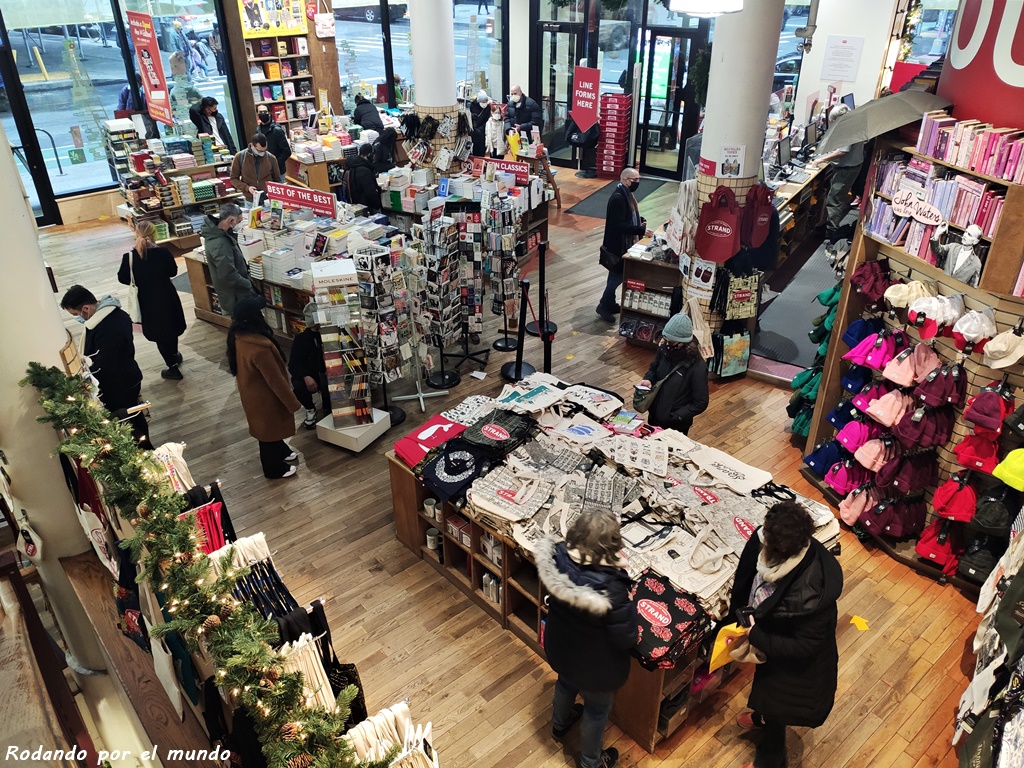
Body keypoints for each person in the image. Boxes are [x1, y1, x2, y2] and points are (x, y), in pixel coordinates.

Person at [728, 500, 843, 768]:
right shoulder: (790, 548)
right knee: (769, 702)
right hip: (779, 651)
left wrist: (756, 635)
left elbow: (804, 647)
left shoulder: (811, 598)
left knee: (777, 712)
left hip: (799, 673)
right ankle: (763, 718)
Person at [536, 511, 637, 768]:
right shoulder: (612, 588)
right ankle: (591, 762)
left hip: (561, 648)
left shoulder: (557, 557)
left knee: (565, 684)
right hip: (595, 667)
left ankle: (559, 725)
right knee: (597, 711)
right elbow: (626, 637)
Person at [60, 285, 149, 446]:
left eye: (75, 314)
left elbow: (106, 363)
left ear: (86, 308)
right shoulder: (115, 315)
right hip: (127, 376)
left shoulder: (107, 328)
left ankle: (143, 449)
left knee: (128, 419)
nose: (77, 318)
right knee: (133, 413)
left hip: (120, 383)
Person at [227, 295, 303, 480]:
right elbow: (276, 380)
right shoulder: (260, 348)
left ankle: (281, 450)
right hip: (266, 399)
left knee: (269, 430)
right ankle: (274, 469)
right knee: (267, 434)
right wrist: (293, 403)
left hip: (253, 394)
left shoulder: (239, 337)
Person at [117, 220, 186, 380]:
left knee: (160, 334)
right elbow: (173, 271)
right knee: (171, 328)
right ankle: (174, 355)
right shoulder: (163, 253)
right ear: (154, 234)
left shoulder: (130, 257)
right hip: (167, 297)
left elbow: (123, 278)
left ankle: (172, 366)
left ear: (136, 233)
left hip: (147, 301)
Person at [636, 313, 709, 435]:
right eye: (666, 340)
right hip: (654, 415)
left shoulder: (697, 367)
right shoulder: (664, 349)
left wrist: (676, 416)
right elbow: (653, 369)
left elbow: (700, 403)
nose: (668, 344)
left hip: (676, 427)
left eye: (672, 342)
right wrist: (649, 379)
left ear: (683, 342)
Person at [596, 167, 652, 321]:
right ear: (626, 180)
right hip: (617, 246)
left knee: (614, 275)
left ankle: (609, 302)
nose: (637, 183)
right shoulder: (618, 198)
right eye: (635, 180)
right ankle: (603, 305)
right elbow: (619, 225)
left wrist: (640, 221)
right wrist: (640, 229)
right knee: (617, 276)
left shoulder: (627, 195)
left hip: (620, 244)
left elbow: (627, 217)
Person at [810, 103, 863, 245]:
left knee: (834, 199)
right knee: (834, 196)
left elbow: (842, 151)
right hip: (851, 165)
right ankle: (826, 224)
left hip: (847, 168)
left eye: (834, 121)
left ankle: (831, 233)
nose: (832, 123)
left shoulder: (848, 129)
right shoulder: (853, 122)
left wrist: (820, 159)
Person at [202, 203, 258, 317]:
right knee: (245, 324)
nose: (240, 224)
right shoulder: (220, 243)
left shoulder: (219, 234)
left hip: (236, 292)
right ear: (231, 220)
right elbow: (228, 274)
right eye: (239, 221)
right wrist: (247, 283)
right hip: (235, 294)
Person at [289, 302, 330, 428]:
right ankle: (310, 409)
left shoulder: (329, 334)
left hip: (328, 373)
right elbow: (293, 365)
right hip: (311, 374)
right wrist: (306, 376)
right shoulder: (301, 339)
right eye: (315, 327)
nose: (318, 329)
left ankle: (329, 406)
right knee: (298, 385)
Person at [930, 221, 983, 287]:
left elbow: (972, 288)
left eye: (969, 235)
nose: (965, 235)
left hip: (955, 295)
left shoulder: (976, 263)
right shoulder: (953, 247)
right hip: (940, 286)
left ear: (975, 241)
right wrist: (937, 233)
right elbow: (936, 250)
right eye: (965, 232)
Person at [231, 133, 281, 201]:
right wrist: (247, 188)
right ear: (252, 145)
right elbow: (233, 179)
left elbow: (277, 180)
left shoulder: (271, 158)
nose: (262, 153)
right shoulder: (240, 157)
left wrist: (274, 193)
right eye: (260, 151)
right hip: (250, 199)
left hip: (268, 199)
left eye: (264, 150)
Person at [340, 143, 382, 212]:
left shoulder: (350, 166)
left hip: (354, 204)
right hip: (367, 206)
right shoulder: (364, 171)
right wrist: (378, 205)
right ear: (369, 155)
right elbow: (371, 193)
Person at [257, 106, 291, 177]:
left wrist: (275, 164)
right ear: (257, 114)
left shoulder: (277, 130)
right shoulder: (258, 130)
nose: (263, 114)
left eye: (265, 112)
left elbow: (287, 151)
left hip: (278, 171)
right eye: (260, 112)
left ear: (269, 113)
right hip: (264, 171)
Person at [469, 90, 491, 157]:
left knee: (481, 149)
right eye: (483, 102)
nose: (484, 103)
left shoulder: (487, 107)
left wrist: (481, 128)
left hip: (482, 130)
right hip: (473, 130)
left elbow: (486, 120)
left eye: (486, 102)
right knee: (474, 148)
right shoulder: (472, 106)